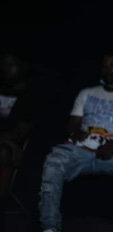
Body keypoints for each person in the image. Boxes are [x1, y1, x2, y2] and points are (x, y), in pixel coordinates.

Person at [39, 49, 113, 232]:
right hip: (83, 148)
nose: (109, 70)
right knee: (54, 160)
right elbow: (72, 123)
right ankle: (49, 226)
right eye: (105, 66)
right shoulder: (86, 92)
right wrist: (75, 132)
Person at [0, 51, 38, 224]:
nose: (5, 69)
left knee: (4, 152)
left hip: (6, 146)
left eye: (11, 64)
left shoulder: (28, 97)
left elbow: (19, 133)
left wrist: (9, 142)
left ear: (23, 67)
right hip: (6, 141)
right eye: (4, 64)